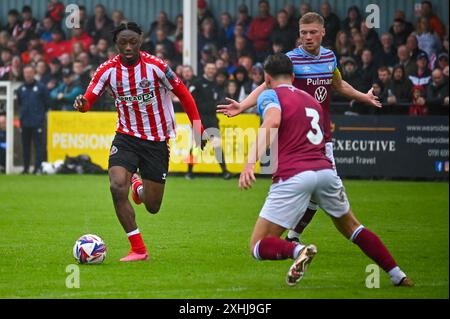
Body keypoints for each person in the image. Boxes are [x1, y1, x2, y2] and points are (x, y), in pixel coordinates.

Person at [238, 53, 413, 287]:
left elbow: (272, 121)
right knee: (353, 227)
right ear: (292, 76)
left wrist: (250, 161)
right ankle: (397, 274)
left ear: (266, 78)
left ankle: (299, 250)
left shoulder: (269, 94)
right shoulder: (312, 101)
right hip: (325, 171)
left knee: (258, 244)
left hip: (294, 175)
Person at [218, 12, 381, 243]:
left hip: (324, 138)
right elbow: (267, 85)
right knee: (317, 190)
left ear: (323, 32)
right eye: (303, 33)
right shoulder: (290, 60)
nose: (307, 37)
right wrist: (243, 105)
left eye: (313, 32)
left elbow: (338, 84)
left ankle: (293, 237)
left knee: (318, 193)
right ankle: (291, 237)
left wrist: (363, 97)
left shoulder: (330, 58)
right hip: (296, 138)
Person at [73, 22, 205, 262]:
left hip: (156, 141)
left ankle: (138, 186)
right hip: (126, 137)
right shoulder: (107, 70)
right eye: (123, 43)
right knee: (115, 186)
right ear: (116, 45)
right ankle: (138, 249)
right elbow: (88, 99)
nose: (128, 47)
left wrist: (198, 127)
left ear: (140, 40)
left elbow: (184, 94)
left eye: (132, 42)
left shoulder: (157, 67)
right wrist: (82, 104)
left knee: (152, 206)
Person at [187, 62, 231, 180]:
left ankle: (225, 171)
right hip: (199, 118)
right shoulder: (197, 83)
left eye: (213, 68)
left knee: (217, 145)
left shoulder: (217, 85)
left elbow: (221, 99)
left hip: (212, 119)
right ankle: (189, 172)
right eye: (209, 68)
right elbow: (189, 99)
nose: (211, 70)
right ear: (204, 69)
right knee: (196, 146)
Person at [16, 65, 50, 174]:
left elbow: (47, 103)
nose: (28, 75)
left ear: (34, 73)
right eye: (26, 73)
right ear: (23, 74)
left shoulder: (41, 87)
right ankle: (26, 168)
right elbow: (20, 104)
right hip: (25, 122)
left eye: (30, 72)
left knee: (38, 146)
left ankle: (37, 168)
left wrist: (40, 116)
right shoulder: (21, 89)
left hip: (37, 122)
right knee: (25, 146)